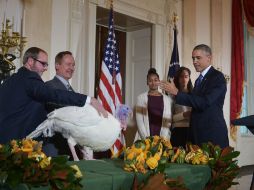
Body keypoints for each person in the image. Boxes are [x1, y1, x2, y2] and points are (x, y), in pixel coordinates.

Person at [0, 47, 107, 149]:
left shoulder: (11, 79)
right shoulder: (30, 79)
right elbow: (53, 94)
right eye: (43, 64)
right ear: (30, 61)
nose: (46, 68)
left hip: (6, 143)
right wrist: (88, 99)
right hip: (17, 146)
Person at [160, 44, 229, 148]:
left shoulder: (217, 77)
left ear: (209, 58)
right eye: (193, 58)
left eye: (198, 58)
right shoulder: (198, 80)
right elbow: (194, 101)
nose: (194, 62)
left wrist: (177, 93)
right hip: (196, 135)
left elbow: (204, 102)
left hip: (212, 135)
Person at [44, 51, 83, 159]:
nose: (71, 68)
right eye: (68, 64)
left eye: (73, 65)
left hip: (69, 146)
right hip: (54, 145)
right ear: (57, 65)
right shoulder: (49, 86)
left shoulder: (71, 90)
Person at [134, 68, 173, 142]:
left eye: (155, 80)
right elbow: (139, 120)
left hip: (163, 136)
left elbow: (168, 120)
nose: (153, 83)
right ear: (147, 82)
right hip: (145, 136)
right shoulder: (140, 98)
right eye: (150, 80)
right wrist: (146, 140)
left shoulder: (167, 99)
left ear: (159, 81)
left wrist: (162, 139)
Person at [170, 67, 193, 147]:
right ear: (178, 79)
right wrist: (184, 115)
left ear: (189, 78)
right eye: (181, 76)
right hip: (177, 132)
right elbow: (170, 119)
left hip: (191, 131)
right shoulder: (172, 96)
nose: (184, 79)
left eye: (186, 76)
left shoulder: (194, 95)